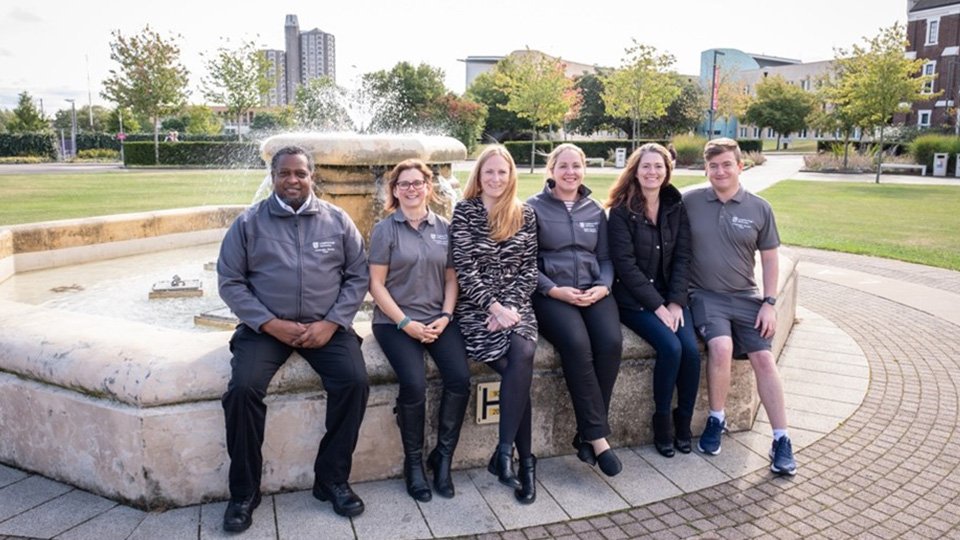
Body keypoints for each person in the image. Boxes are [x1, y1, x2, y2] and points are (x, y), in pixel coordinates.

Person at [217, 145, 370, 531]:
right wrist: (268, 323)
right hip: (265, 329)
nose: (292, 180)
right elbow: (231, 282)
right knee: (242, 390)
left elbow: (357, 276)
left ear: (311, 176)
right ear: (273, 177)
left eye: (300, 173)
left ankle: (332, 479)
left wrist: (333, 322)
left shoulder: (337, 220)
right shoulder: (249, 223)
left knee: (354, 382)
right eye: (284, 173)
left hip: (326, 326)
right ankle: (245, 491)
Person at [683, 137, 796, 476]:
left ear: (740, 166)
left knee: (763, 357)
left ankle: (782, 439)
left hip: (747, 296)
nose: (720, 171)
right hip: (704, 295)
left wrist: (770, 303)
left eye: (726, 164)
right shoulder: (689, 202)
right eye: (713, 165)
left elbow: (771, 259)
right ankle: (717, 419)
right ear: (706, 169)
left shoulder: (759, 208)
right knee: (720, 347)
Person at [368, 159, 471, 502]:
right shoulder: (386, 229)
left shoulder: (445, 226)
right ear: (394, 191)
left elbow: (451, 278)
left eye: (417, 183)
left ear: (429, 187)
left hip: (438, 318)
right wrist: (405, 324)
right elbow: (377, 286)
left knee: (459, 378)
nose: (411, 189)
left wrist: (445, 314)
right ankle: (413, 463)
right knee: (413, 384)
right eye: (404, 184)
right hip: (395, 323)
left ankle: (442, 457)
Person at [526, 143, 623, 476]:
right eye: (563, 166)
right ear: (551, 170)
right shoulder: (532, 209)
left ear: (584, 170)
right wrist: (553, 289)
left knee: (610, 343)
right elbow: (525, 263)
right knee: (577, 345)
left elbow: (606, 259)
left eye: (576, 166)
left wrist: (604, 286)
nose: (570, 172)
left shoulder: (594, 210)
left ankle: (586, 433)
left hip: (593, 290)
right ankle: (598, 439)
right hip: (552, 294)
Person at [450, 145, 539, 504]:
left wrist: (510, 307)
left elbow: (529, 268)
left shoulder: (525, 214)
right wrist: (492, 305)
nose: (496, 178)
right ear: (479, 176)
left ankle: (505, 453)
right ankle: (523, 463)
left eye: (502, 172)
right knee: (519, 372)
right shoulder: (465, 212)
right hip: (477, 311)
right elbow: (463, 267)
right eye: (489, 172)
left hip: (517, 308)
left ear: (511, 175)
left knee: (523, 350)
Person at [606, 143, 700, 458]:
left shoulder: (676, 205)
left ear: (667, 171)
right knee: (670, 348)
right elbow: (625, 266)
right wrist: (658, 307)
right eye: (646, 166)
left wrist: (675, 302)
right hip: (634, 300)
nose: (652, 172)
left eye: (658, 166)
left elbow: (684, 257)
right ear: (635, 170)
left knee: (690, 350)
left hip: (670, 297)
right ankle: (661, 422)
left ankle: (683, 421)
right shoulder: (621, 210)